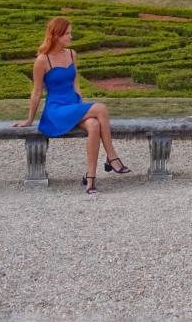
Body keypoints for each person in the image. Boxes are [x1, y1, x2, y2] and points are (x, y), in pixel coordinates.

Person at [14, 17, 130, 194]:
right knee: (101, 108)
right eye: (67, 33)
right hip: (56, 110)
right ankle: (112, 157)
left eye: (70, 33)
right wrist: (29, 119)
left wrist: (81, 108)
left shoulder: (72, 54)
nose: (71, 36)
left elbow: (76, 85)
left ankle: (91, 179)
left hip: (73, 105)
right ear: (55, 35)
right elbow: (36, 92)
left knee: (94, 124)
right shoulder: (42, 60)